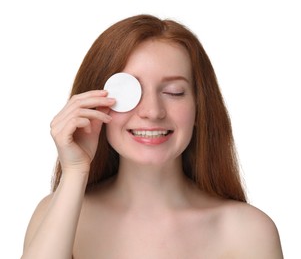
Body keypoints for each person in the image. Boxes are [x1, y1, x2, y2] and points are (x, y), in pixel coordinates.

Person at [21, 14, 283, 258]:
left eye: (173, 92)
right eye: (128, 93)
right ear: (92, 104)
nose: (152, 112)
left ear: (200, 110)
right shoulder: (59, 215)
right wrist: (75, 170)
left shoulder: (249, 231)